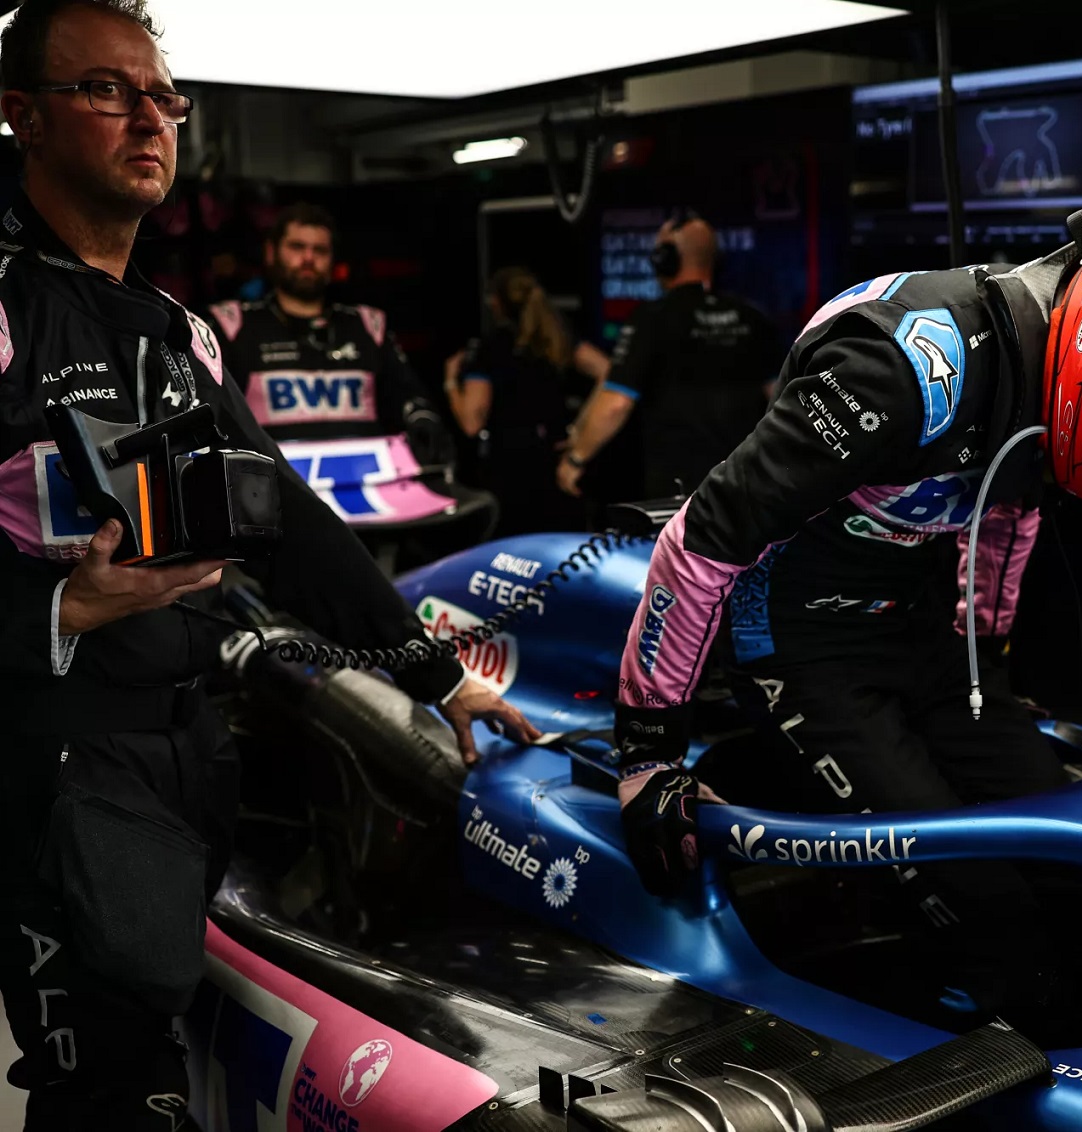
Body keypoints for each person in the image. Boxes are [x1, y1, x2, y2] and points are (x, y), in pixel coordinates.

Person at [0, 2, 539, 1126]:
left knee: (161, 1034)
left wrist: (430, 672)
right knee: (107, 1075)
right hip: (57, 749)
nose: (147, 117)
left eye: (161, 94)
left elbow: (287, 523)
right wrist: (61, 603)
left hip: (191, 746)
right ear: (22, 117)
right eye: (106, 90)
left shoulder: (179, 331)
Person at [610, 203, 1082, 1023]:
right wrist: (647, 751)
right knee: (993, 919)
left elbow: (1009, 510)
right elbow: (702, 538)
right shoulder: (901, 367)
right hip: (803, 645)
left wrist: (991, 659)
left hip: (930, 632)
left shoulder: (1069, 367)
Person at [556, 213, 783, 501]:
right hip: (745, 483)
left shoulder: (651, 318)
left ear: (665, 259)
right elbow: (778, 397)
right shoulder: (754, 318)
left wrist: (576, 458)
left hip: (677, 490)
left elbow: (616, 402)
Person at [205, 201, 452, 457]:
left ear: (332, 259)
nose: (309, 258)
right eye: (297, 247)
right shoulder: (233, 325)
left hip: (362, 481)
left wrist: (423, 419)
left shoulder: (368, 325)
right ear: (271, 252)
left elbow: (409, 396)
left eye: (320, 250)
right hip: (277, 486)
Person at [443, 266, 608, 536]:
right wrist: (582, 424)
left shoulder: (491, 347)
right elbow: (607, 371)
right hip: (556, 460)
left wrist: (450, 381)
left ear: (496, 302)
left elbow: (471, 422)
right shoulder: (556, 339)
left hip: (511, 469)